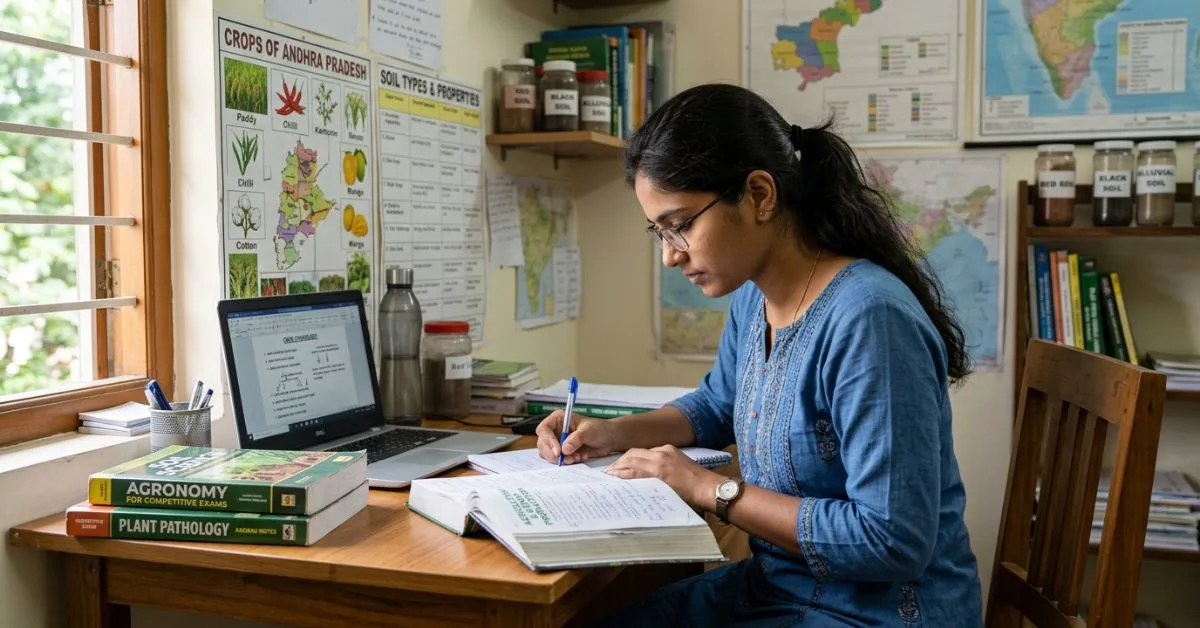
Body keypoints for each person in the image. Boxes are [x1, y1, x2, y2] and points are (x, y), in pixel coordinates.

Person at [534, 83, 983, 627]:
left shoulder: (870, 319)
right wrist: (611, 432)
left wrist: (710, 489)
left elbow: (890, 540)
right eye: (658, 231)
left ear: (760, 196)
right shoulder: (755, 297)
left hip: (878, 614)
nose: (669, 256)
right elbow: (718, 406)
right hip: (780, 587)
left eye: (680, 226)